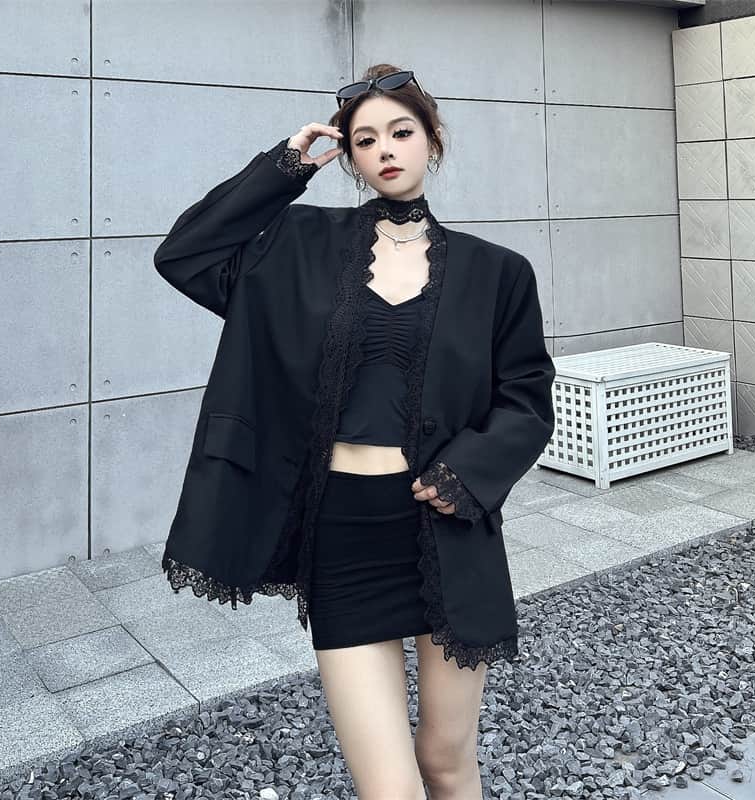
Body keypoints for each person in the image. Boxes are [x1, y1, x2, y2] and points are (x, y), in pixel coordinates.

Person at [154, 64, 557, 799]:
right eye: (365, 140)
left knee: (446, 762)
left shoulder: (498, 272)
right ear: (351, 157)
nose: (385, 149)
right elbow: (185, 254)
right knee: (390, 788)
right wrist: (284, 167)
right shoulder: (297, 245)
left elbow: (526, 399)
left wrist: (469, 472)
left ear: (432, 139)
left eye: (401, 131)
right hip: (342, 537)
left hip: (447, 529)